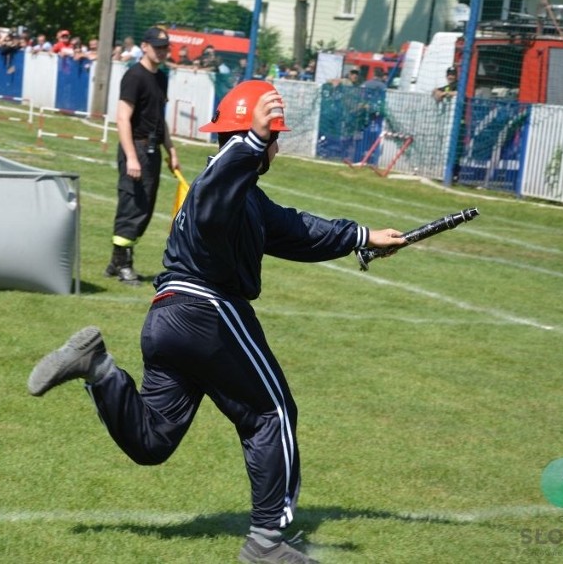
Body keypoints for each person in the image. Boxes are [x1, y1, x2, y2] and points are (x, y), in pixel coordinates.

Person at [26, 80, 407, 563]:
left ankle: (98, 369)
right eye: (274, 139)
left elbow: (298, 230)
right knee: (271, 414)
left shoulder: (247, 197)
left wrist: (363, 236)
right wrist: (253, 138)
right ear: (256, 140)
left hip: (167, 318)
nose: (277, 147)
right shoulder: (219, 184)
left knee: (153, 441)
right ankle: (268, 542)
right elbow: (213, 196)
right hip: (209, 311)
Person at [104, 26, 180, 285]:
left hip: (153, 149)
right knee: (132, 206)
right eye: (157, 46)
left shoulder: (161, 78)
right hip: (135, 148)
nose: (161, 51)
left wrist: (171, 150)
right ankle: (124, 264)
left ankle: (116, 261)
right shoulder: (134, 76)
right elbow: (123, 118)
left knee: (144, 208)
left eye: (164, 47)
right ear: (144, 46)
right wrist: (132, 157)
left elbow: (160, 119)